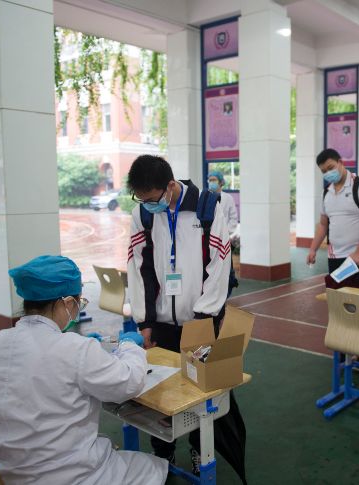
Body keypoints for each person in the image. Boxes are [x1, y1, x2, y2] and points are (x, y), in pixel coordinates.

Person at [0, 255, 167, 485]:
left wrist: (88, 349)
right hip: (61, 476)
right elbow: (130, 382)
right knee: (155, 468)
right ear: (67, 303)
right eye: (79, 302)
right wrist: (129, 345)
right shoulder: (75, 349)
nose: (78, 308)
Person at [126, 155, 246, 481]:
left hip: (199, 321)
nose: (146, 205)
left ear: (169, 186)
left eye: (151, 198)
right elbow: (138, 268)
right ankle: (162, 452)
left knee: (199, 394)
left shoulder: (207, 207)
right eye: (140, 199)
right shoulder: (143, 216)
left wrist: (203, 317)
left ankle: (198, 449)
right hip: (161, 323)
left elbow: (219, 266)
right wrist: (145, 321)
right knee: (158, 391)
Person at [307, 148, 359, 370]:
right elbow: (323, 224)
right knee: (339, 306)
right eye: (323, 171)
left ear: (340, 162)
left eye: (330, 167)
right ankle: (343, 350)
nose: (328, 172)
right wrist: (312, 248)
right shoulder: (327, 193)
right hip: (336, 259)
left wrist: (358, 252)